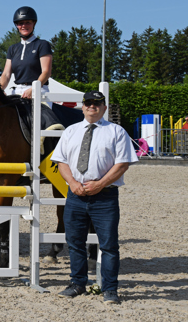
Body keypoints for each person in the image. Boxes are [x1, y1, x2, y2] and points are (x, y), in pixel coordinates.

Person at [51, 91, 138, 304]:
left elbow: (123, 163)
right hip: (75, 194)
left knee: (108, 245)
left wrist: (100, 184)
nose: (92, 106)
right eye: (88, 103)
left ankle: (109, 289)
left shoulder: (116, 132)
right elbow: (61, 161)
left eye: (97, 103)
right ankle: (77, 283)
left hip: (105, 196)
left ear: (104, 108)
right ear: (82, 107)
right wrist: (72, 183)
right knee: (74, 242)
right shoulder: (70, 131)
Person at [0, 6, 53, 104]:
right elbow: (6, 74)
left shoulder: (42, 44)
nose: (24, 26)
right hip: (17, 92)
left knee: (44, 118)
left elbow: (46, 72)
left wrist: (33, 89)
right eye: (21, 23)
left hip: (39, 92)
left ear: (34, 23)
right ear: (17, 26)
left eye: (27, 22)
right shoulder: (13, 48)